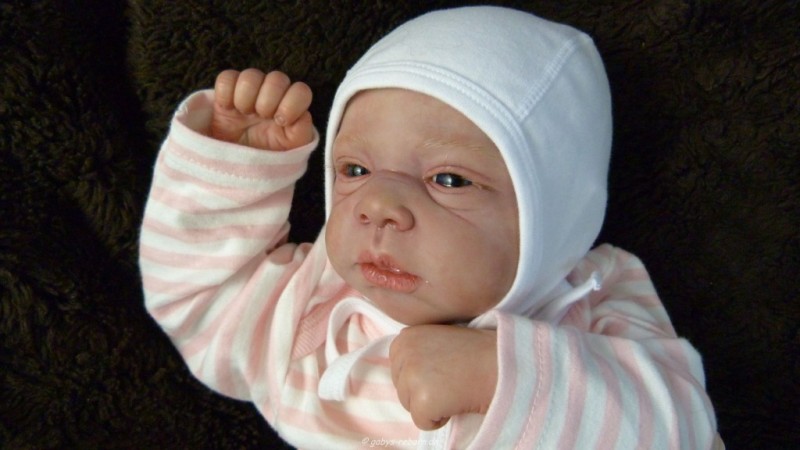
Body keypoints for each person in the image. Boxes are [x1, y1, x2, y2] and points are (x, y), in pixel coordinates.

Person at [139, 6, 721, 449]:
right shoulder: (316, 308)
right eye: (355, 170)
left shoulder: (593, 302)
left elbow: (685, 432)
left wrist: (505, 376)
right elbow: (202, 303)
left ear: (553, 215)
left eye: (448, 179)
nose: (378, 205)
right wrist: (234, 168)